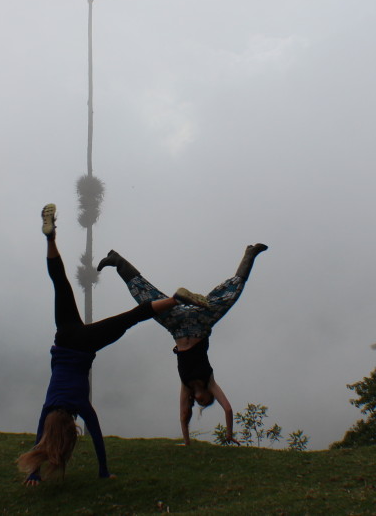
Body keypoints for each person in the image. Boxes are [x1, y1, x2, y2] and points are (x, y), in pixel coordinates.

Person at [19, 204, 202, 486]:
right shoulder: (48, 408)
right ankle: (50, 238)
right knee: (60, 282)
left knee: (131, 318)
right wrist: (32, 470)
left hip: (84, 346)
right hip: (65, 337)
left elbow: (96, 438)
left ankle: (176, 298)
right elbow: (39, 438)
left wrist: (103, 470)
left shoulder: (79, 405)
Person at [96, 242, 267, 445]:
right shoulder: (210, 381)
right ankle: (250, 255)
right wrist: (229, 434)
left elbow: (183, 415)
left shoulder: (186, 388)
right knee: (230, 295)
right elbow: (228, 409)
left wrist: (186, 442)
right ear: (210, 396)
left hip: (176, 326)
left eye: (200, 403)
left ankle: (118, 261)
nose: (202, 401)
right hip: (201, 324)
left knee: (146, 298)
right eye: (207, 401)